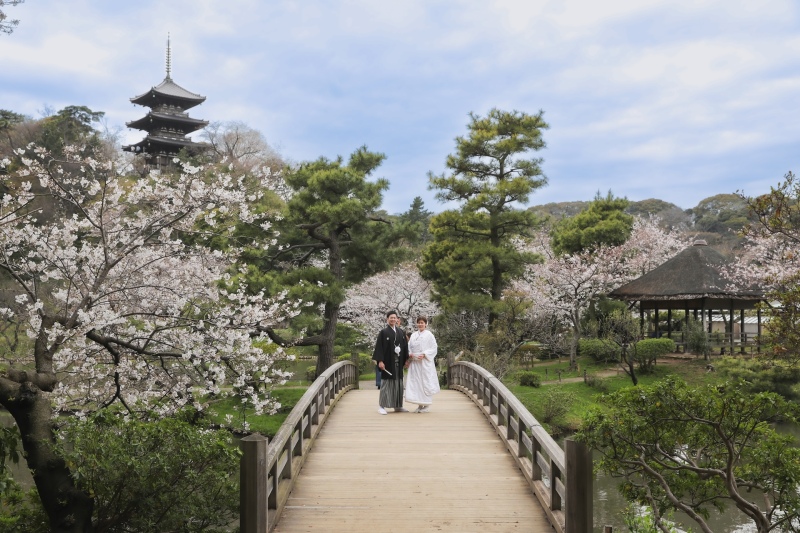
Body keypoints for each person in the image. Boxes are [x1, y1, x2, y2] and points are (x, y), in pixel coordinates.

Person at [372, 310, 409, 415]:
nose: (393, 319)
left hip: (398, 362)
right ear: (387, 319)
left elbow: (405, 346)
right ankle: (382, 406)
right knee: (386, 384)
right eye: (391, 317)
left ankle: (398, 406)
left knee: (398, 384)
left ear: (397, 319)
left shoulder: (401, 332)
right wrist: (380, 361)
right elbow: (379, 347)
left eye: (394, 317)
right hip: (388, 362)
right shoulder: (383, 332)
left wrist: (406, 359)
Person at [404, 315, 440, 413]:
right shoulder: (414, 335)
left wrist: (425, 354)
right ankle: (420, 404)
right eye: (419, 322)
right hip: (415, 362)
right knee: (416, 383)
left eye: (422, 323)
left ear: (425, 324)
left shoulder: (429, 335)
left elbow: (434, 348)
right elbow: (409, 346)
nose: (420, 324)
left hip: (424, 363)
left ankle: (427, 405)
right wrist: (410, 354)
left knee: (425, 382)